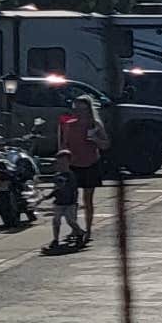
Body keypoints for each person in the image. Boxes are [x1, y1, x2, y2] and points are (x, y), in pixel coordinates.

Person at [60, 96, 107, 242]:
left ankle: (89, 230)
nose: (79, 112)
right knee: (71, 200)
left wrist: (96, 140)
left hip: (90, 163)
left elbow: (106, 144)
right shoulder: (69, 124)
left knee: (88, 199)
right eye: (76, 109)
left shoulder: (94, 124)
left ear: (89, 110)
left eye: (83, 109)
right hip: (73, 164)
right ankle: (75, 228)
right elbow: (64, 144)